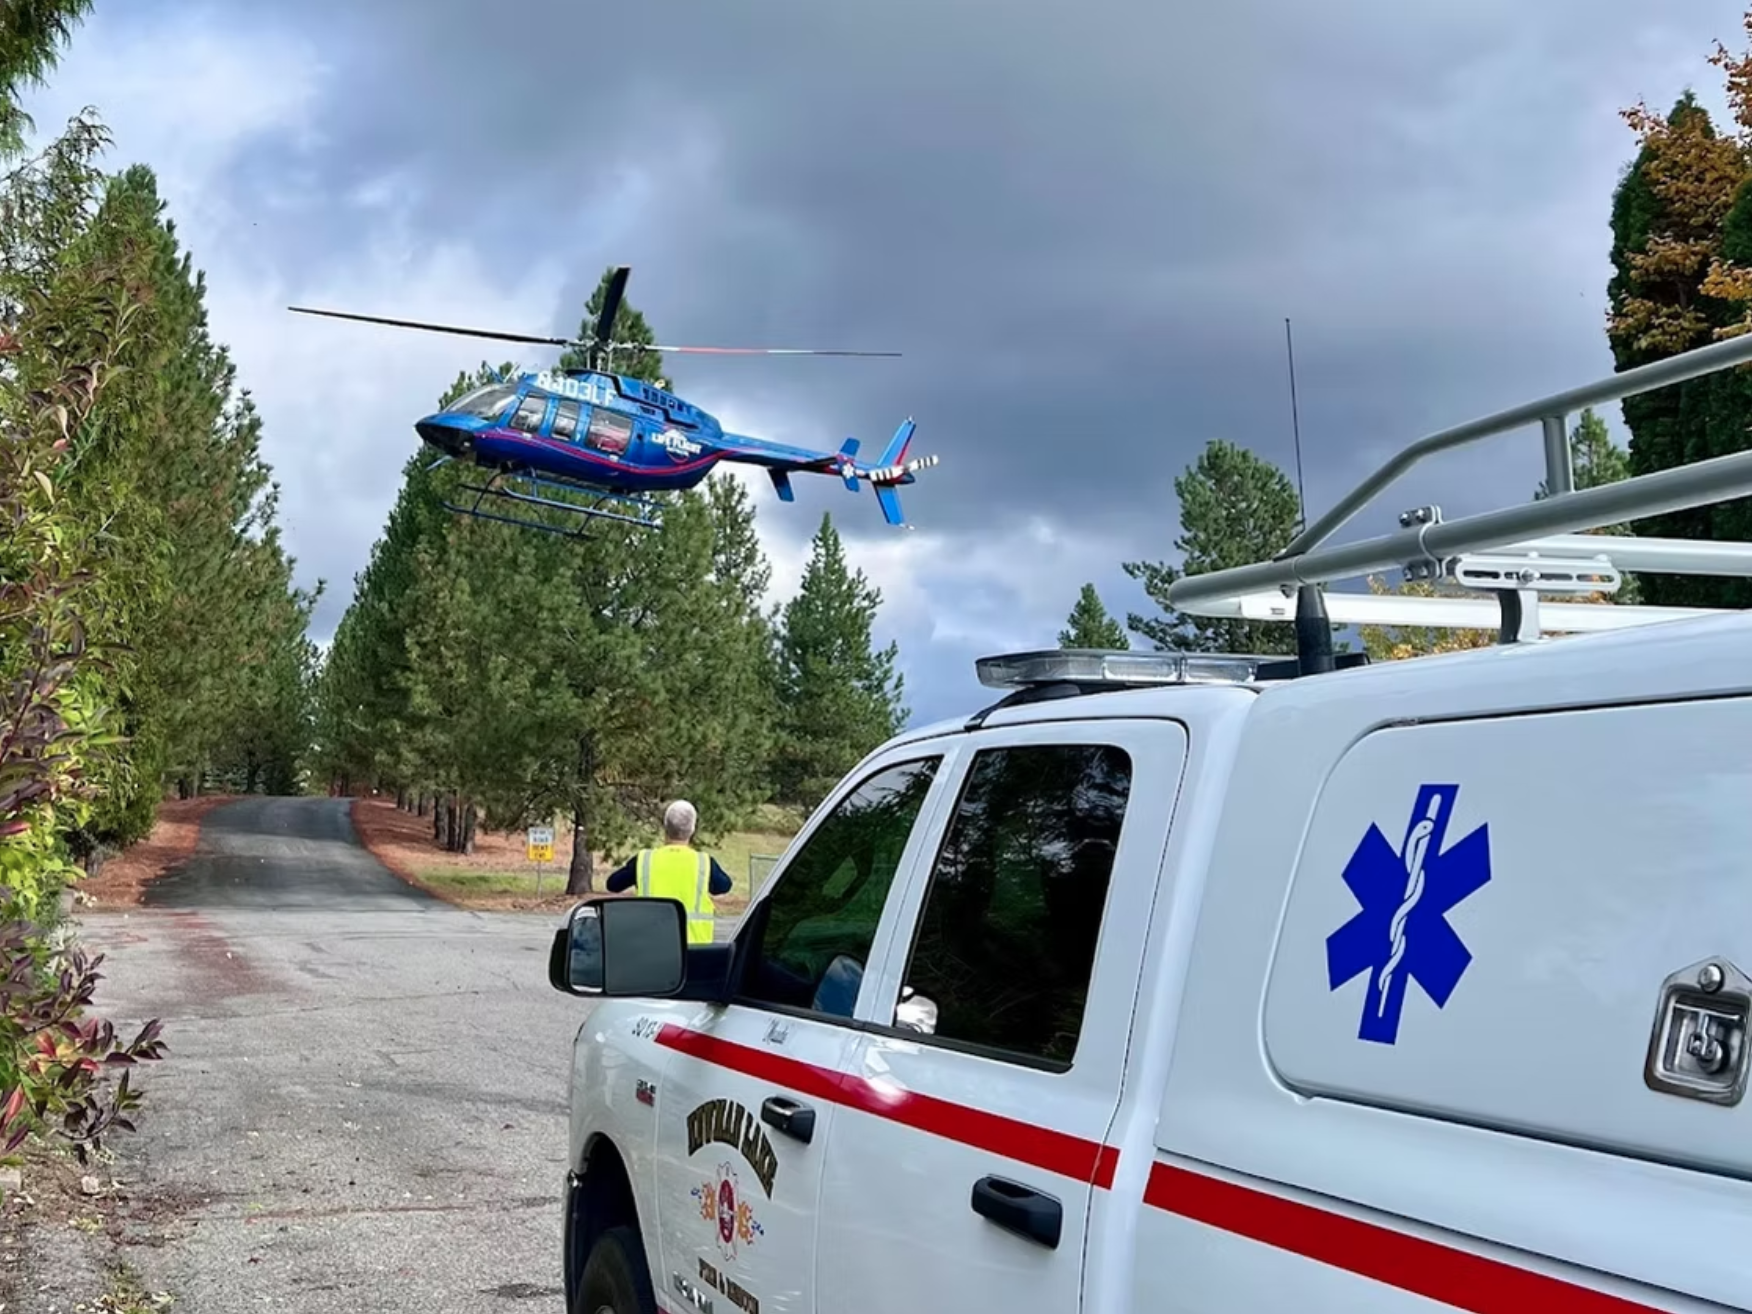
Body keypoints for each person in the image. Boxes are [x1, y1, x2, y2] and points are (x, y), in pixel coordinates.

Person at [603, 799, 733, 944]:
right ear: (692, 829)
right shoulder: (704, 863)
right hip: (693, 950)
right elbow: (725, 886)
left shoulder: (644, 861)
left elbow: (613, 884)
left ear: (665, 826)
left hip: (652, 947)